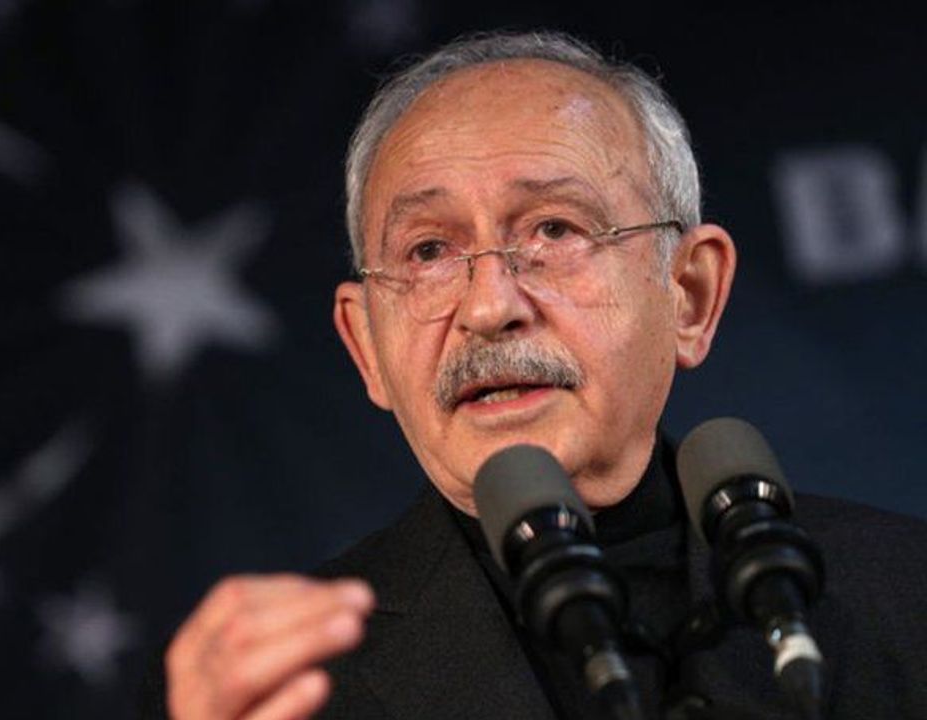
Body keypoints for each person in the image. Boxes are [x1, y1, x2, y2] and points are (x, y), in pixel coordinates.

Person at [144, 30, 927, 719]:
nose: (489, 306)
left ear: (689, 295)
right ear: (367, 346)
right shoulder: (282, 690)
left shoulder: (907, 598)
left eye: (554, 229)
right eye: (428, 251)